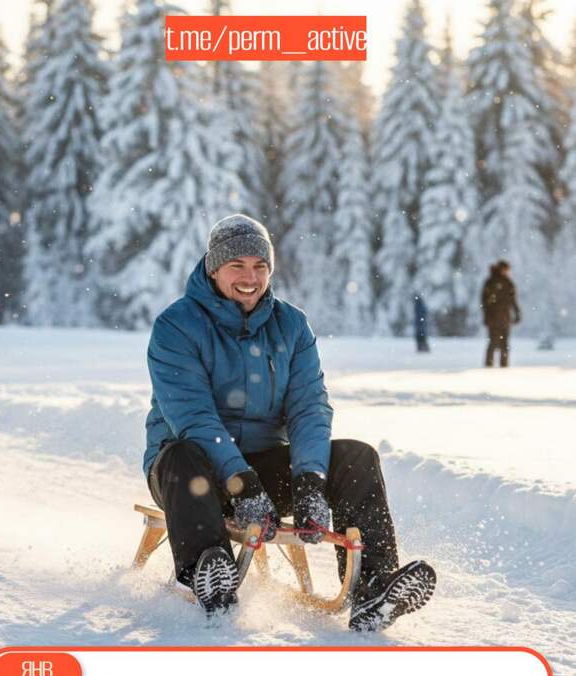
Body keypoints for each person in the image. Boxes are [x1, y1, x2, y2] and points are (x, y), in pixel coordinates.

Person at [144, 214, 436, 629]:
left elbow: (309, 407)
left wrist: (310, 480)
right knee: (182, 454)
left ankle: (373, 588)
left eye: (260, 266)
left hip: (263, 471)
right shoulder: (176, 326)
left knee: (357, 457)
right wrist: (241, 482)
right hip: (193, 476)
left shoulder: (291, 326)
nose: (250, 278)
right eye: (237, 265)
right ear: (213, 269)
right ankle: (211, 574)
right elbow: (193, 417)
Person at [481, 260, 520, 368]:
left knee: (505, 343)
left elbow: (513, 300)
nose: (507, 272)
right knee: (493, 342)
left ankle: (504, 365)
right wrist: (486, 316)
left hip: (505, 318)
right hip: (493, 318)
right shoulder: (490, 282)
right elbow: (484, 302)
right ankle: (489, 365)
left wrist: (517, 313)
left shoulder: (508, 282)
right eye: (505, 269)